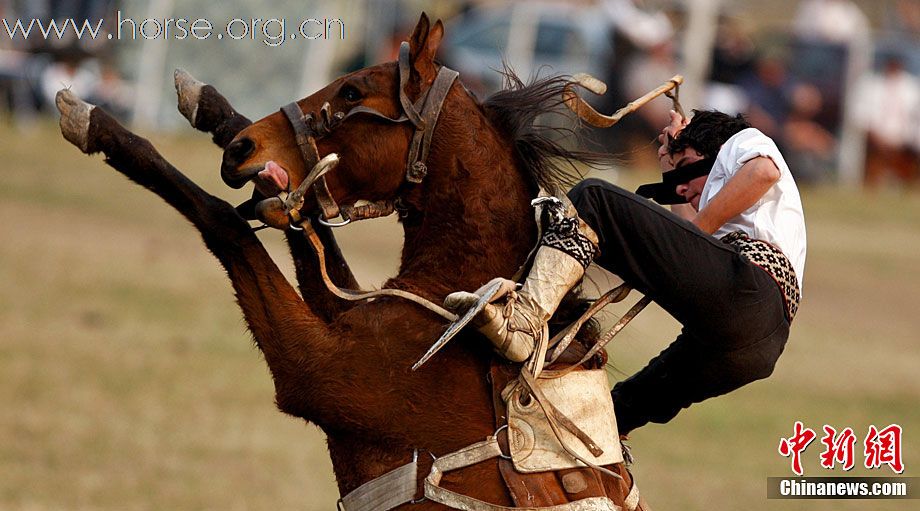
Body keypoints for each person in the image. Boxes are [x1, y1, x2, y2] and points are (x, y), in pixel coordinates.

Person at [445, 109, 806, 435]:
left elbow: (762, 172)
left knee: (594, 200)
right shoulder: (720, 211)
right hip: (754, 345)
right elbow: (684, 242)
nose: (681, 186)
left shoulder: (740, 142)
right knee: (615, 414)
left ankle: (524, 321)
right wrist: (670, 169)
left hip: (749, 291)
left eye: (687, 168)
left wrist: (695, 227)